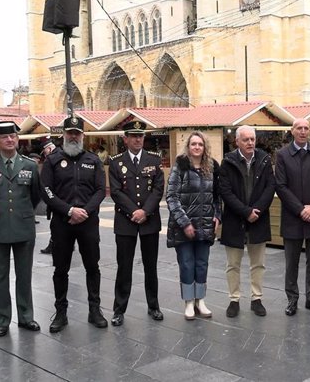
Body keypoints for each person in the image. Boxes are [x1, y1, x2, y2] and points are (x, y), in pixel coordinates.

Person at [40, 117, 107, 332]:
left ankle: (94, 310)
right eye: (70, 132)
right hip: (62, 222)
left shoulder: (93, 160)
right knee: (61, 268)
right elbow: (46, 190)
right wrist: (68, 210)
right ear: (64, 135)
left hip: (88, 222)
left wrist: (85, 211)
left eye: (77, 133)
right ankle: (61, 312)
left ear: (83, 136)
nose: (73, 136)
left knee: (92, 267)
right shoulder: (53, 160)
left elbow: (100, 190)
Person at [0, 121, 42, 336]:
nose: (10, 140)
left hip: (23, 227)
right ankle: (3, 320)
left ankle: (26, 317)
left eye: (13, 136)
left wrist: (23, 213)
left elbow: (35, 195)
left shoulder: (29, 165)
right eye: (5, 137)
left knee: (24, 275)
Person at [109, 120, 165, 325]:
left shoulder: (154, 160)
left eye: (140, 136)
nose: (138, 139)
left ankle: (154, 306)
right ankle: (119, 309)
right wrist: (134, 211)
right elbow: (115, 191)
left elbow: (158, 189)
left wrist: (145, 211)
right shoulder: (116, 162)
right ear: (125, 139)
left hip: (149, 220)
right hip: (126, 220)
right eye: (133, 136)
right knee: (124, 267)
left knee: (151, 266)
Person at [275, 118, 310, 316]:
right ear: (292, 131)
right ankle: (292, 299)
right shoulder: (282, 155)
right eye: (299, 128)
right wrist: (301, 209)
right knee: (291, 262)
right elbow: (281, 186)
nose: (302, 131)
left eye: (306, 128)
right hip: (293, 217)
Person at [218, 125, 276, 317]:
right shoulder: (227, 162)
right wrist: (245, 212)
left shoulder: (264, 159)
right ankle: (234, 299)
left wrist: (256, 211)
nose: (250, 143)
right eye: (246, 140)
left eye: (252, 139)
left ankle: (256, 298)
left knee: (258, 263)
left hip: (258, 219)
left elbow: (270, 187)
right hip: (235, 220)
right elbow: (225, 192)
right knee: (233, 263)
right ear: (237, 142)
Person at [166, 131, 221, 320]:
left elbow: (217, 196)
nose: (197, 147)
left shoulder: (212, 166)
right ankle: (189, 302)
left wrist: (217, 216)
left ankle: (200, 300)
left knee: (202, 264)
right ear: (188, 147)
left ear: (204, 147)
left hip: (205, 224)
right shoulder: (180, 166)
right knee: (187, 264)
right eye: (193, 144)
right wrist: (185, 223)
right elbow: (171, 197)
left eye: (200, 144)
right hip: (184, 227)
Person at [40, 139, 58, 254]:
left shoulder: (51, 160)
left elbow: (45, 183)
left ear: (50, 148)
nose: (45, 155)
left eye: (45, 152)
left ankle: (53, 245)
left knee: (55, 225)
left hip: (56, 199)